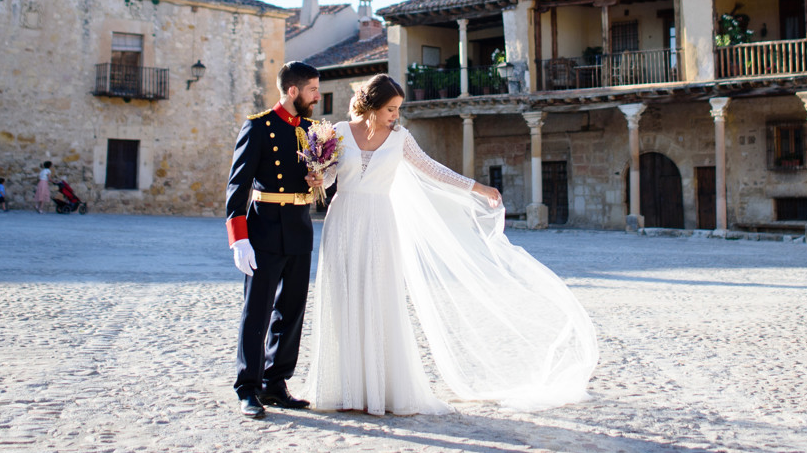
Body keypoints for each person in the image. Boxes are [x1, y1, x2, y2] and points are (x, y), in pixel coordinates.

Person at [303, 74, 598, 416]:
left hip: (380, 222)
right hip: (343, 219)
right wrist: (313, 177)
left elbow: (433, 170)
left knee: (379, 299)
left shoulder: (401, 138)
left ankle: (380, 390)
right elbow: (324, 179)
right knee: (343, 299)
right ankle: (346, 389)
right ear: (371, 106)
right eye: (390, 109)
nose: (395, 116)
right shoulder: (337, 132)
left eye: (398, 109)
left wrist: (477, 187)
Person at [224, 60, 326, 420]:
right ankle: (248, 388)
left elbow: (323, 181)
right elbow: (238, 186)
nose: (318, 96)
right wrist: (239, 239)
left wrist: (321, 182)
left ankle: (276, 382)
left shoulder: (313, 130)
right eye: (313, 89)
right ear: (294, 91)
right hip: (264, 229)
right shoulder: (258, 127)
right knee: (258, 312)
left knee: (292, 311)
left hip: (299, 228)